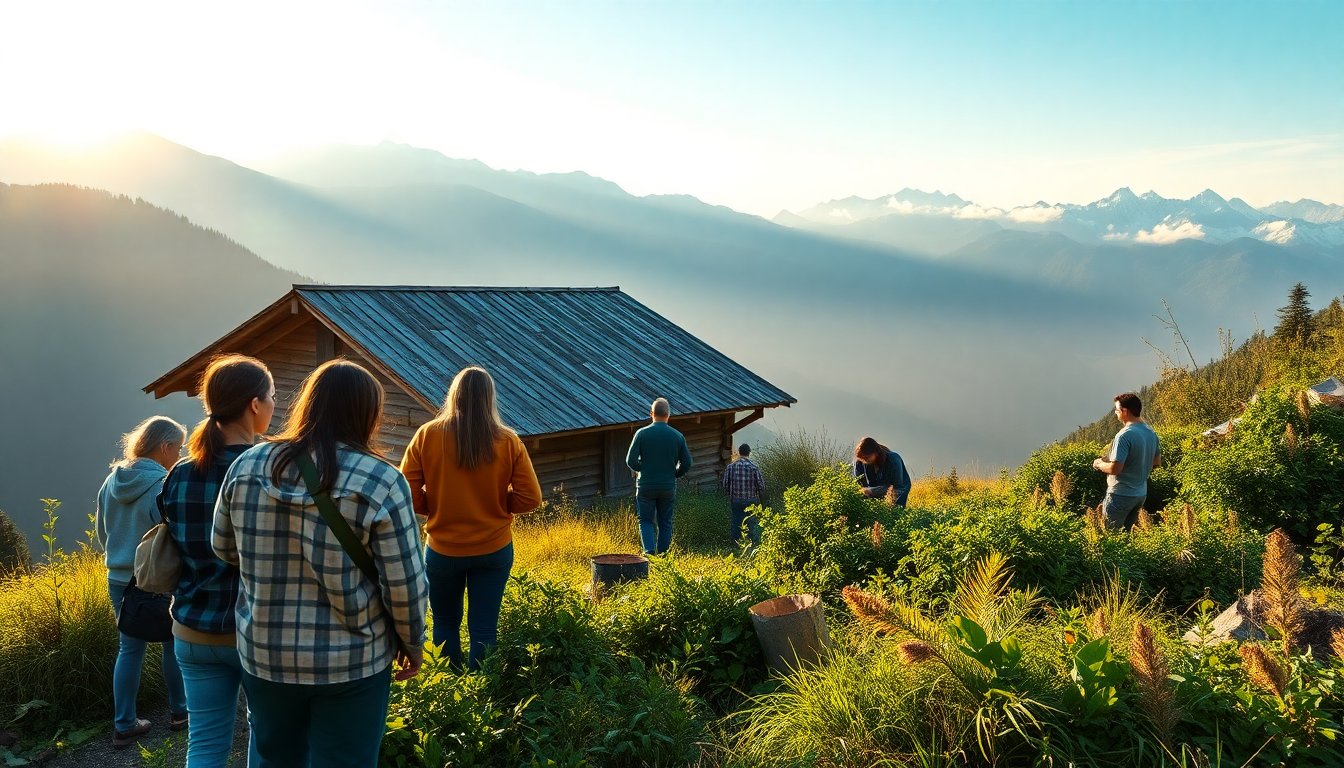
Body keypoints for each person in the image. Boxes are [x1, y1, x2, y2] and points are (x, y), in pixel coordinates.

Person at [214, 359, 428, 767]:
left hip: (265, 654)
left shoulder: (247, 466)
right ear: (368, 414)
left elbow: (223, 548)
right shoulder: (381, 480)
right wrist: (412, 644)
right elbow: (405, 586)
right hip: (352, 661)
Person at [161, 354, 272, 768]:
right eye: (273, 396)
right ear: (255, 405)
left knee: (204, 745)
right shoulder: (267, 472)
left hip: (192, 629)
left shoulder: (180, 472)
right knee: (266, 739)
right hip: (255, 631)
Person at [400, 366, 541, 670]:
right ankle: (483, 692)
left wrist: (435, 506)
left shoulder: (428, 435)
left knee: (445, 623)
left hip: (443, 550)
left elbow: (404, 489)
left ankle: (453, 693)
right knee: (485, 629)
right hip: (493, 548)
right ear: (490, 398)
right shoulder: (507, 440)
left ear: (454, 396)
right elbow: (531, 498)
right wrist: (498, 505)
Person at [95, 416, 189, 747]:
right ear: (164, 447)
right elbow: (172, 537)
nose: (179, 455)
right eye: (178, 448)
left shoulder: (111, 481)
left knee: (129, 649)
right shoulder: (164, 484)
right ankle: (180, 712)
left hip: (118, 578)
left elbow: (102, 533)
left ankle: (124, 724)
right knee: (173, 643)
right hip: (155, 578)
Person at [625, 397, 693, 555]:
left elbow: (630, 460)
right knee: (665, 522)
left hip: (645, 486)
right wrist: (675, 474)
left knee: (645, 520)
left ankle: (649, 552)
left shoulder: (641, 434)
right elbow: (687, 463)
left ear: (651, 413)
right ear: (668, 414)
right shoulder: (677, 436)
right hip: (667, 486)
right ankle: (663, 557)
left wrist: (643, 469)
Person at [1092, 392, 1161, 531]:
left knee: (1109, 536)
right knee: (1128, 536)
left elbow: (1115, 469)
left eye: (1117, 410)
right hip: (1140, 494)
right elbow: (1156, 462)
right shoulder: (1151, 433)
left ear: (1125, 411)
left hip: (1120, 494)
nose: (1116, 414)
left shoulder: (1124, 435)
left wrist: (1099, 464)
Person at [722, 443, 766, 547]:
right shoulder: (754, 467)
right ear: (749, 453)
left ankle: (735, 544)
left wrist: (731, 493)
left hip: (735, 500)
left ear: (738, 452)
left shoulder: (730, 467)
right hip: (751, 500)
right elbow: (761, 486)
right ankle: (752, 545)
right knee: (752, 522)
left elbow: (725, 484)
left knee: (736, 521)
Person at [853, 436, 912, 506]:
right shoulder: (862, 461)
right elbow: (859, 486)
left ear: (875, 452)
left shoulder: (893, 460)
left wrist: (871, 491)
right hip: (877, 486)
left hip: (899, 487)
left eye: (866, 457)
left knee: (895, 511)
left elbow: (897, 488)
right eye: (862, 458)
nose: (864, 461)